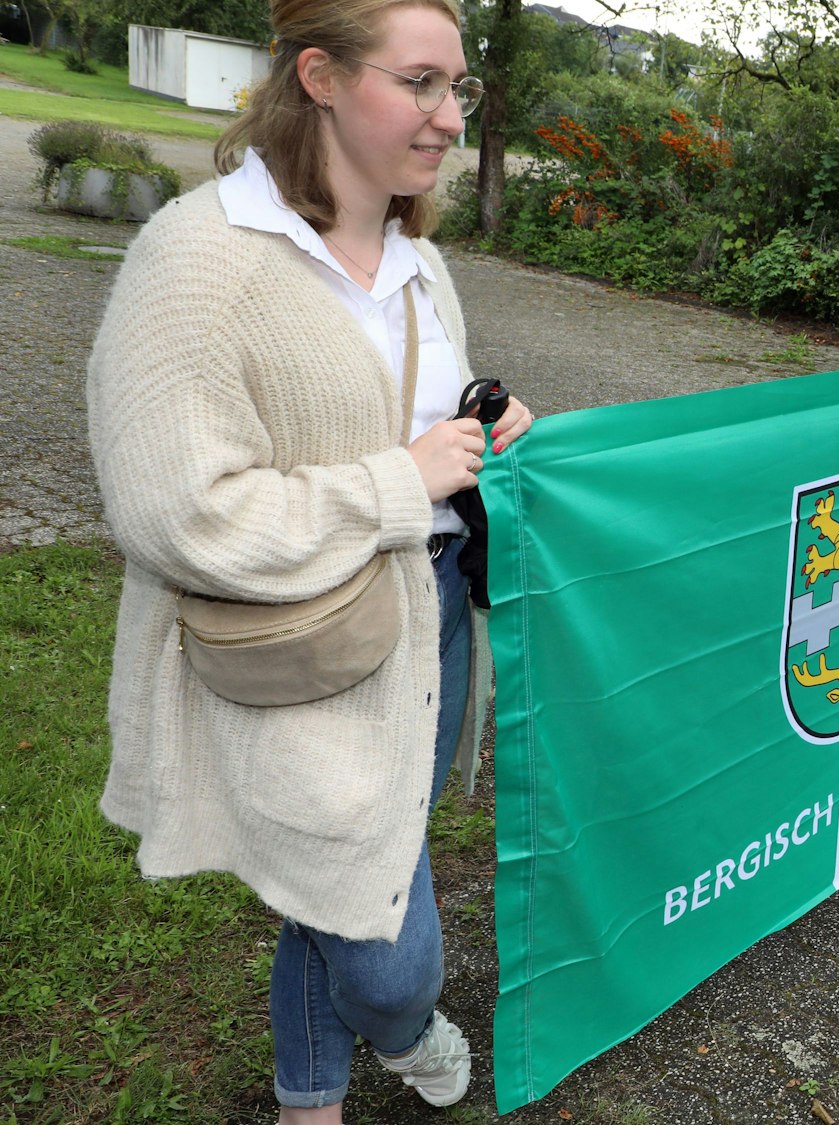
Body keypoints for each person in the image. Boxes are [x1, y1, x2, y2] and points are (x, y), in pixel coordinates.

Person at [84, 1, 533, 1118]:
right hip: (293, 640)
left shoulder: (421, 259)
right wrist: (405, 480)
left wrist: (485, 428)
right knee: (382, 947)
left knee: (336, 886)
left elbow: (424, 428)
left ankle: (309, 1103)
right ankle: (407, 1029)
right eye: (421, 84)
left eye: (460, 90)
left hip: (423, 622)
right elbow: (174, 513)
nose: (449, 119)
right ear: (321, 76)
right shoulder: (199, 262)